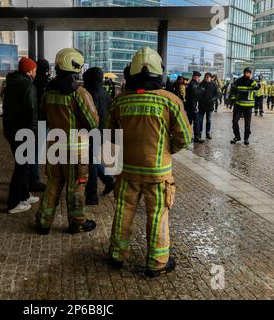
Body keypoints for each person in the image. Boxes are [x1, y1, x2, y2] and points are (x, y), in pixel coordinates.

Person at [107, 47, 192, 278]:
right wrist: (167, 150)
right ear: (159, 72)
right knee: (157, 216)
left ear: (131, 72)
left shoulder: (120, 101)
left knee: (123, 211)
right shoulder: (171, 101)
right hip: (158, 173)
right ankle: (156, 263)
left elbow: (109, 134)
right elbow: (185, 137)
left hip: (127, 171)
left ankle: (116, 255)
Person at [36, 48, 99, 235]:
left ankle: (43, 222)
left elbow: (42, 118)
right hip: (75, 150)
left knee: (53, 184)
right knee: (76, 186)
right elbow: (93, 122)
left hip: (54, 147)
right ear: (76, 67)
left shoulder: (48, 92)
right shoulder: (78, 93)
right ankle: (78, 223)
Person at [2, 57, 40, 214]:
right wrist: (34, 133)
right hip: (24, 131)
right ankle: (13, 202)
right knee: (22, 166)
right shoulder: (28, 85)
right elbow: (31, 111)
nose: (36, 72)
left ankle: (24, 195)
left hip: (11, 129)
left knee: (23, 164)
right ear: (30, 70)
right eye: (35, 70)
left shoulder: (11, 83)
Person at [82, 67, 116, 206]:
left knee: (91, 164)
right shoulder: (105, 94)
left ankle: (91, 196)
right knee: (94, 160)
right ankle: (109, 181)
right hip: (101, 132)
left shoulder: (89, 93)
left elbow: (89, 116)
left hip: (91, 133)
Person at [28, 59, 51, 193]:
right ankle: (34, 180)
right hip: (42, 121)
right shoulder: (46, 83)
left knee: (32, 150)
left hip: (32, 120)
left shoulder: (33, 81)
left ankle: (28, 177)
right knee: (36, 151)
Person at [230, 67, 260, 145]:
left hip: (248, 106)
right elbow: (232, 90)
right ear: (244, 73)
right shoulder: (238, 80)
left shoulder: (253, 81)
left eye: (249, 73)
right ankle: (237, 136)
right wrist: (232, 100)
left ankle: (246, 138)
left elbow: (257, 87)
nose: (247, 74)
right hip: (238, 105)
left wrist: (250, 80)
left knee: (247, 123)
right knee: (234, 122)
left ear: (251, 74)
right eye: (246, 72)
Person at [198, 72, 220, 140]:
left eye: (207, 77)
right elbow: (198, 93)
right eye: (205, 77)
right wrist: (200, 98)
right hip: (201, 105)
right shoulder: (201, 84)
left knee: (209, 120)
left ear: (211, 78)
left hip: (210, 106)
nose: (206, 78)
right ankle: (199, 133)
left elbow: (217, 94)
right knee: (200, 120)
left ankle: (208, 133)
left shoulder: (214, 85)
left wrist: (213, 99)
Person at [185, 71, 203, 143]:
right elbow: (195, 94)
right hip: (192, 106)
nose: (199, 79)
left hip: (191, 106)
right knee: (196, 122)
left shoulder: (193, 84)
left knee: (190, 122)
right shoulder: (193, 84)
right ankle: (196, 137)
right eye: (198, 77)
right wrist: (201, 90)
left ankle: (188, 137)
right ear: (195, 76)